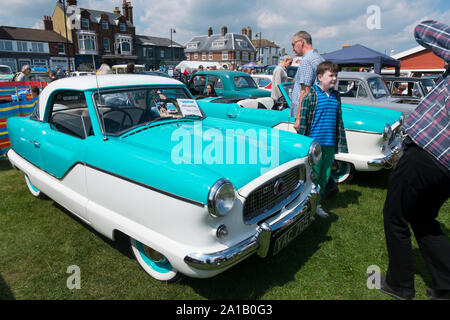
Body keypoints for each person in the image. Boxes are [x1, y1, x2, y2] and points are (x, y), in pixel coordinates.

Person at [379, 20, 450, 301]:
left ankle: (400, 285)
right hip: (445, 166)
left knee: (395, 215)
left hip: (427, 152)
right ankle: (446, 286)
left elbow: (424, 29)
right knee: (424, 218)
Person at [298, 61, 348, 218]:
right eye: (331, 75)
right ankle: (307, 207)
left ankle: (317, 204)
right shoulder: (312, 95)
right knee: (312, 176)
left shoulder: (336, 95)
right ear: (319, 77)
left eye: (335, 75)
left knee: (324, 177)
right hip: (315, 145)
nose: (334, 78)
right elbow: (304, 120)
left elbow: (338, 120)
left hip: (330, 143)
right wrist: (302, 144)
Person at [290, 31, 325, 132]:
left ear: (301, 42)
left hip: (306, 115)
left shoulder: (307, 60)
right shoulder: (319, 58)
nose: (292, 49)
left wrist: (298, 118)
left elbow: (305, 91)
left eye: (293, 44)